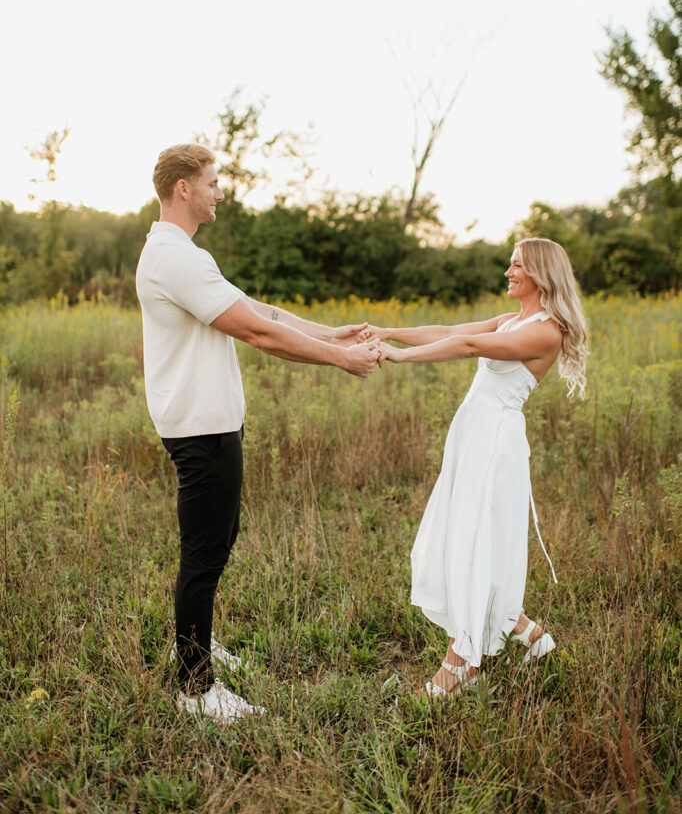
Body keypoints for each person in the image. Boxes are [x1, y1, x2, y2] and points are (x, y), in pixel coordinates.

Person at [136, 144, 379, 725]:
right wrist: (341, 361)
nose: (221, 192)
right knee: (202, 553)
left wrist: (333, 334)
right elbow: (258, 333)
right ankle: (195, 688)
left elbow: (258, 309)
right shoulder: (177, 258)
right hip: (201, 426)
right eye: (213, 183)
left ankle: (196, 639)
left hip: (207, 421)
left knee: (217, 541)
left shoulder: (183, 253)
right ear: (183, 190)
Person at [369, 238, 587, 695]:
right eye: (509, 264)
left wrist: (399, 357)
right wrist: (389, 332)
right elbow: (450, 330)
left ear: (541, 274)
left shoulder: (546, 331)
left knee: (473, 542)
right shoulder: (512, 320)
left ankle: (462, 663)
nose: (508, 272)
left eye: (517, 266)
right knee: (462, 535)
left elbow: (467, 346)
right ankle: (531, 636)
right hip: (471, 436)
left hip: (495, 444)